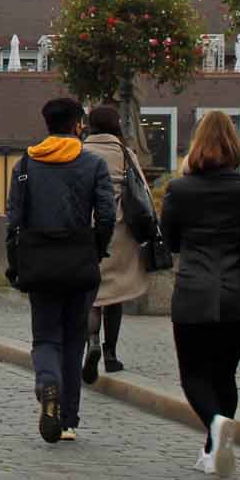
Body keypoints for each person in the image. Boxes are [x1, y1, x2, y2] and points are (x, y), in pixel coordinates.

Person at [6, 96, 115, 445]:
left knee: (46, 337)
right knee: (74, 339)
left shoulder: (26, 165)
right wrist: (96, 248)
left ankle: (47, 382)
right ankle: (68, 419)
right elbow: (108, 215)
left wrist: (15, 263)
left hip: (39, 261)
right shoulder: (93, 164)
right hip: (80, 260)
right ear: (76, 125)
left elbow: (14, 221)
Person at [159, 109, 240, 477]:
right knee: (224, 374)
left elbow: (168, 240)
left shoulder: (180, 190)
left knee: (193, 376)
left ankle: (214, 427)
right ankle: (213, 449)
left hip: (195, 294)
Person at [80, 104, 152, 381]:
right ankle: (110, 353)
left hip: (87, 231)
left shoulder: (80, 153)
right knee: (115, 296)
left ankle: (92, 340)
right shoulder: (125, 154)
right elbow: (142, 190)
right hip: (119, 231)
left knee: (92, 295)